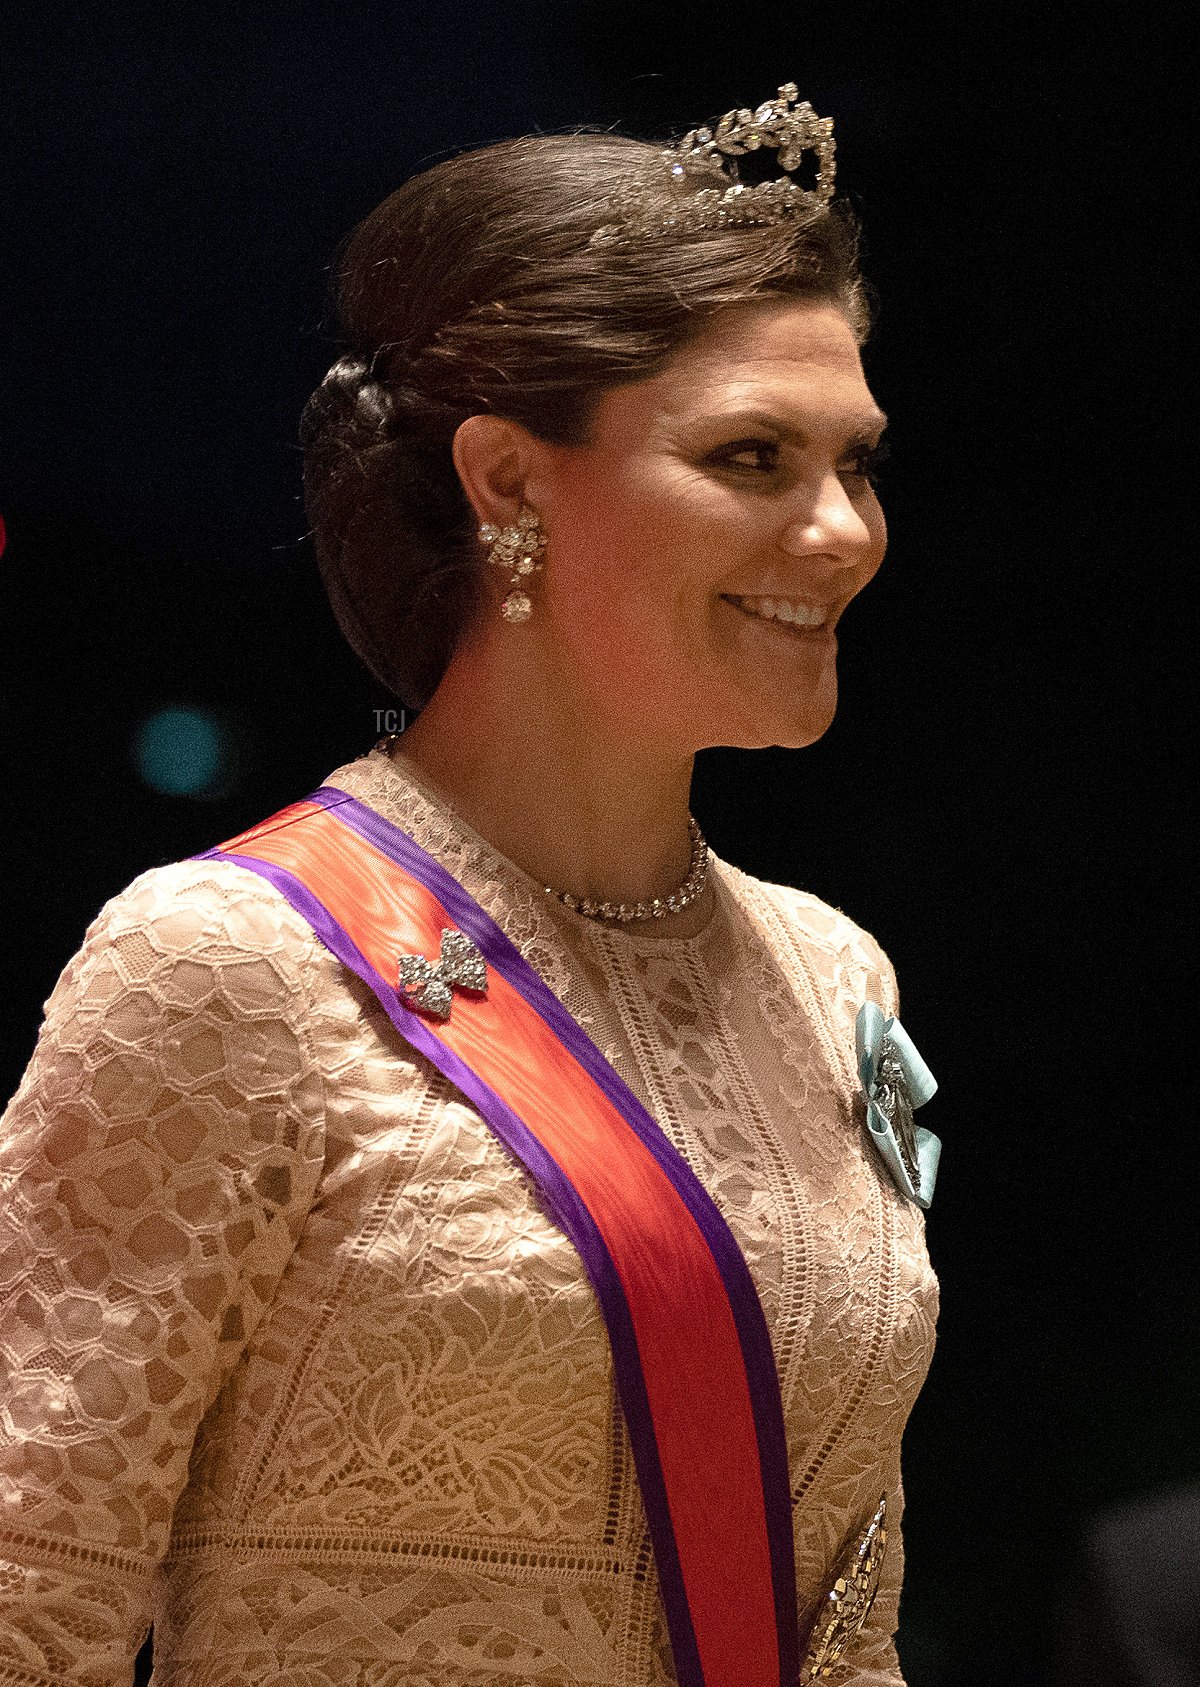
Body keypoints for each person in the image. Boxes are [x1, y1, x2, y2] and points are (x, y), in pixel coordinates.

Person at [0, 84, 941, 1686]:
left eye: (857, 461)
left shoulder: (835, 975)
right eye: (753, 457)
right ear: (508, 482)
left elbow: (848, 1623)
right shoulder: (227, 965)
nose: (841, 528)